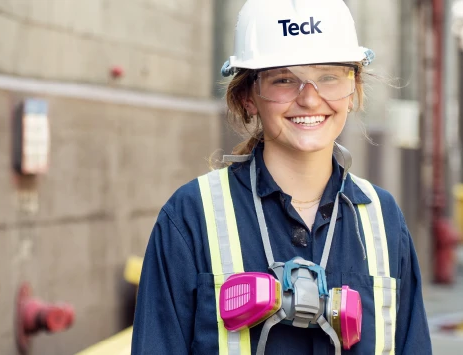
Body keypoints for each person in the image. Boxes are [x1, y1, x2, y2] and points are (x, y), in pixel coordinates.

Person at [131, 0, 432, 354]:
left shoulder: (382, 218)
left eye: (330, 77)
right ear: (248, 97)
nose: (309, 99)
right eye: (284, 80)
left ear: (353, 93)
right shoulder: (191, 216)